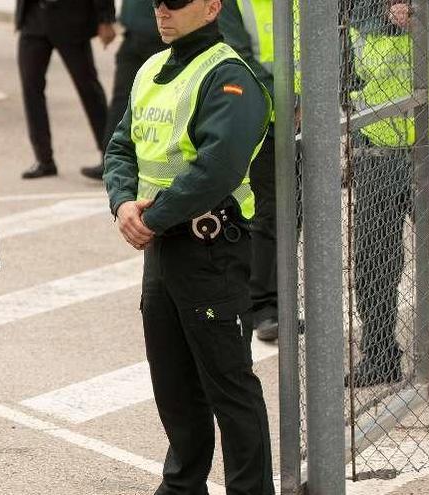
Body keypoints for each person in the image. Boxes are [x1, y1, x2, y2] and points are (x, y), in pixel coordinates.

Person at [103, 0, 274, 492]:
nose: (162, 10)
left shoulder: (229, 77)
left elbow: (217, 168)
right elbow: (120, 147)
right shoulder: (152, 68)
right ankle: (182, 486)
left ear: (212, 7)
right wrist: (122, 205)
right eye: (157, 1)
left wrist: (149, 218)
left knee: (229, 387)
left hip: (210, 249)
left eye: (176, 2)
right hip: (161, 248)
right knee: (173, 385)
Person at [347, 0, 429, 387]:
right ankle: (379, 355)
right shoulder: (359, 11)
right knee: (373, 260)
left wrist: (427, 25)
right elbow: (348, 75)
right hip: (378, 150)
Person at [219, 0, 282, 341]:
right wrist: (288, 102)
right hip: (268, 119)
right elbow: (239, 58)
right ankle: (264, 307)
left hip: (311, 118)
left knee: (299, 215)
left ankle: (285, 298)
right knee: (268, 212)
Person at [16, 0, 117, 179]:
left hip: (71, 19)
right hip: (33, 19)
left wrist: (106, 19)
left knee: (88, 89)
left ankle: (112, 158)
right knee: (30, 88)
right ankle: (44, 160)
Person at [81, 0, 169, 180]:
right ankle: (110, 161)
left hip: (160, 37)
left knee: (160, 103)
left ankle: (148, 163)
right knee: (122, 100)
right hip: (135, 34)